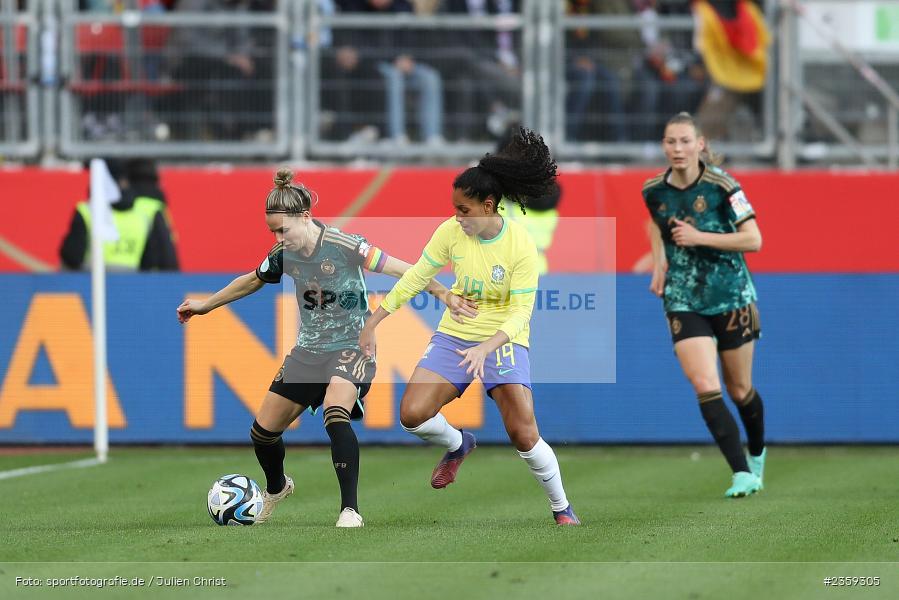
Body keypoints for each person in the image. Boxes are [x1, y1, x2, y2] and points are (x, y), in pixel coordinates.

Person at [176, 169, 474, 528]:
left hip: (353, 346)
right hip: (309, 351)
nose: (278, 238)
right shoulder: (283, 255)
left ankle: (350, 510)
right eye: (272, 231)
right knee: (262, 433)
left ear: (305, 218)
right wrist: (206, 305)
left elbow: (402, 269)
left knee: (336, 412)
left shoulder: (345, 245)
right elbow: (252, 281)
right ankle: (276, 487)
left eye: (282, 230)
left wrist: (444, 294)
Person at [359, 128, 581, 525]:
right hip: (458, 333)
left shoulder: (520, 245)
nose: (456, 217)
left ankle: (561, 508)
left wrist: (487, 347)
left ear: (488, 205)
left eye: (463, 210)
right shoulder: (450, 232)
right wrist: (375, 320)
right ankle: (459, 444)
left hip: (503, 339)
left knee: (524, 436)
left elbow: (521, 313)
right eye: (454, 209)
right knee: (412, 414)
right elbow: (416, 276)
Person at [641, 112, 766, 498]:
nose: (677, 149)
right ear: (664, 146)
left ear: (700, 144)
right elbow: (656, 224)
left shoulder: (723, 186)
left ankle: (757, 453)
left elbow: (753, 240)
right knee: (704, 383)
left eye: (684, 141)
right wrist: (659, 262)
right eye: (670, 141)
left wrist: (700, 236)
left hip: (730, 295)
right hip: (683, 297)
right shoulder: (653, 190)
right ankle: (741, 472)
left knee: (740, 388)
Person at [59, 158, 179, 271]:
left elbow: (72, 257)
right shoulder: (144, 213)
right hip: (130, 285)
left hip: (89, 284)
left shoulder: (87, 211)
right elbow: (158, 259)